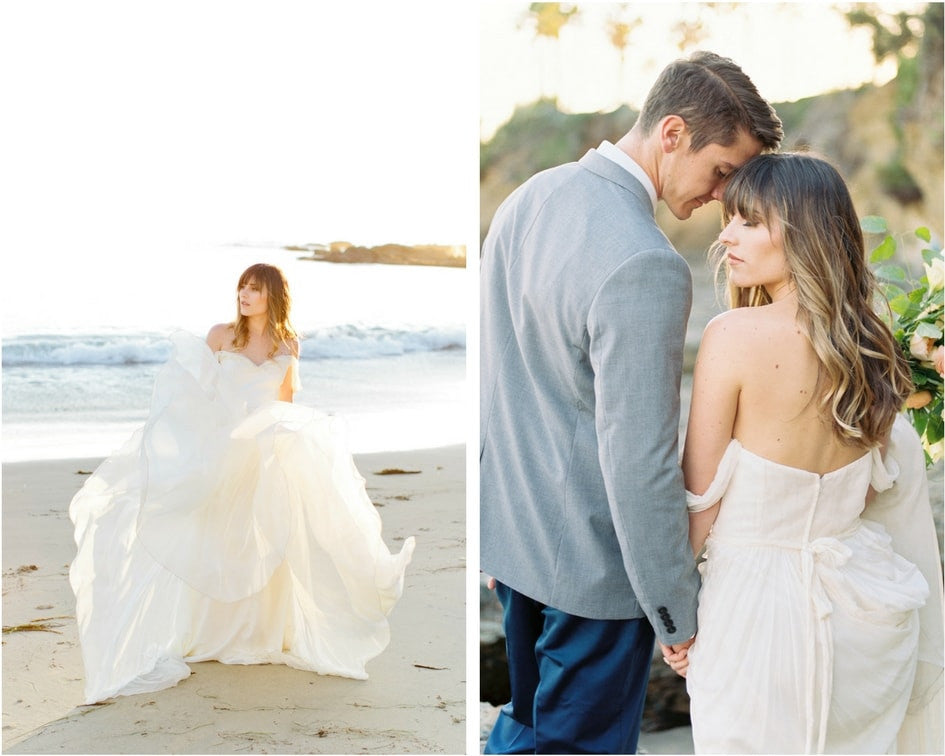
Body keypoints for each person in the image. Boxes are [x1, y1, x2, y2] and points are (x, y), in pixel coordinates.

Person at [479, 51, 782, 753]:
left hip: (512, 542)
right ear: (671, 134)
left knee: (524, 729)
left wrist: (492, 525)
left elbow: (498, 382)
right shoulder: (644, 261)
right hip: (591, 574)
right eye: (721, 171)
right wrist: (675, 610)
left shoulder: (528, 197)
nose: (720, 197)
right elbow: (639, 462)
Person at [665, 152, 944, 753]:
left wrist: (675, 617)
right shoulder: (873, 347)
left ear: (803, 234)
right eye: (730, 218)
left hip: (755, 614)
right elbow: (870, 489)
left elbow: (701, 499)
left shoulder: (731, 338)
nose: (728, 235)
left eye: (750, 222)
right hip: (864, 608)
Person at [69, 263, 415, 704]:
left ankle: (260, 633)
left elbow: (286, 403)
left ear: (273, 295)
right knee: (217, 536)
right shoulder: (220, 336)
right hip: (223, 448)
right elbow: (196, 394)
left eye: (254, 289)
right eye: (242, 288)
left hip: (266, 451)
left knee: (267, 536)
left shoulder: (289, 343)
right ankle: (209, 632)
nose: (244, 296)